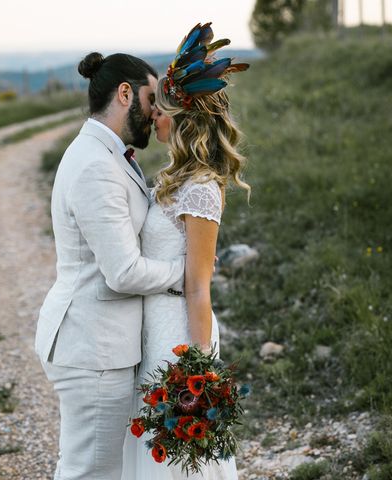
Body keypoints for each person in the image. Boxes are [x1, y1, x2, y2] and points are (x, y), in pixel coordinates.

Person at [34, 52, 187, 480]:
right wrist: (186, 271)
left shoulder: (109, 154)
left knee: (96, 467)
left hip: (100, 342)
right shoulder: (96, 166)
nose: (156, 111)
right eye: (150, 97)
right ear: (125, 94)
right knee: (91, 472)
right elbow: (124, 273)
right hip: (93, 346)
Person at [121, 22, 250, 479]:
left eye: (160, 110)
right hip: (154, 328)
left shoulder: (200, 191)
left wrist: (199, 370)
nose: (153, 116)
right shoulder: (172, 180)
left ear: (181, 119)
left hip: (180, 335)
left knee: (183, 460)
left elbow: (198, 287)